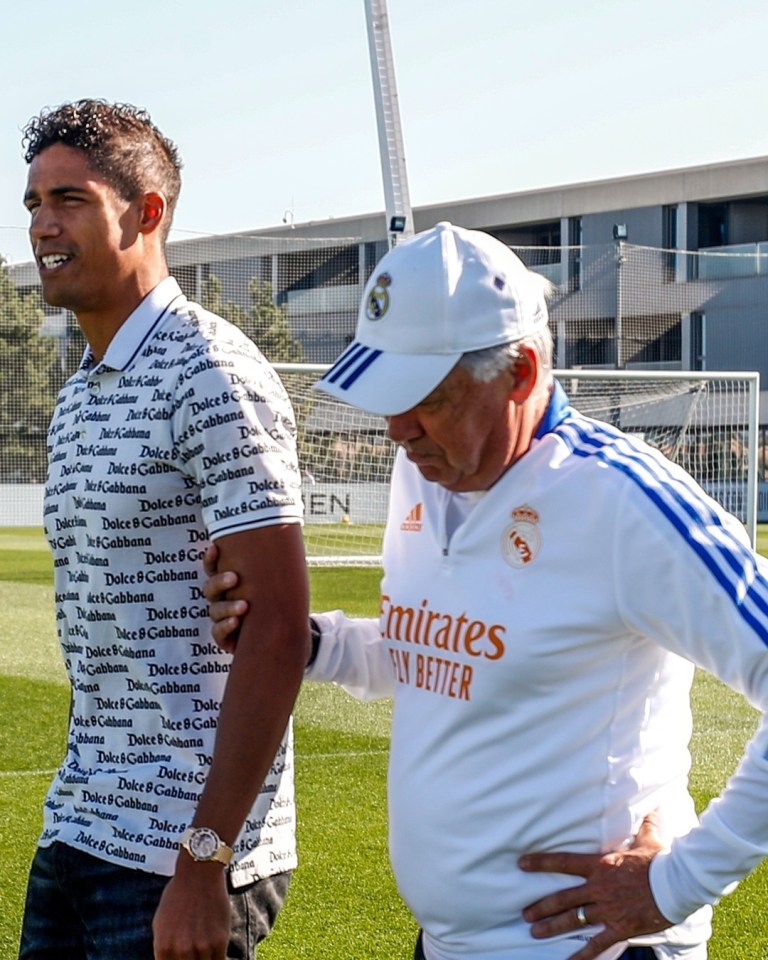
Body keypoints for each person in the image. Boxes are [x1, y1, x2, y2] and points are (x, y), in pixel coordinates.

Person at [205, 221, 768, 960]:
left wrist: (675, 884)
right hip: (449, 944)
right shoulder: (426, 467)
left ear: (522, 374)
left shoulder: (623, 501)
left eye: (426, 396)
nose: (396, 429)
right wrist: (316, 645)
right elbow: (442, 650)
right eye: (386, 394)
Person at [19, 98, 310, 960]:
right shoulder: (79, 393)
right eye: (32, 202)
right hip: (79, 828)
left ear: (146, 213)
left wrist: (203, 864)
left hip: (180, 852)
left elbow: (279, 632)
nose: (42, 224)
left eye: (68, 199)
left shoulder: (211, 371)